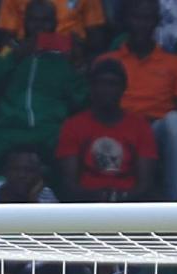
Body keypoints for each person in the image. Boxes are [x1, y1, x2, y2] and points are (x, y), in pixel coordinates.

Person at [0, 1, 81, 182]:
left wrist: (77, 66)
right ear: (24, 22)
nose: (39, 26)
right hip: (10, 128)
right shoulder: (9, 50)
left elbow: (80, 99)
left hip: (49, 130)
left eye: (45, 21)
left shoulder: (64, 57)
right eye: (34, 20)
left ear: (55, 23)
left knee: (71, 146)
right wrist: (15, 57)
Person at [101, 0, 177, 201]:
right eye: (136, 17)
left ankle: (175, 203)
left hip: (156, 130)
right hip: (119, 127)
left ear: (156, 22)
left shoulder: (175, 64)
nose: (141, 24)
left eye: (148, 18)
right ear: (126, 21)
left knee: (176, 121)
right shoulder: (109, 61)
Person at [56, 60, 158, 202]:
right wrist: (100, 198)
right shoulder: (73, 126)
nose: (107, 89)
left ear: (123, 88)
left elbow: (145, 185)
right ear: (92, 87)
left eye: (113, 84)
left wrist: (119, 198)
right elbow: (69, 184)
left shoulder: (140, 127)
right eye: (101, 83)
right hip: (86, 206)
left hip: (128, 206)